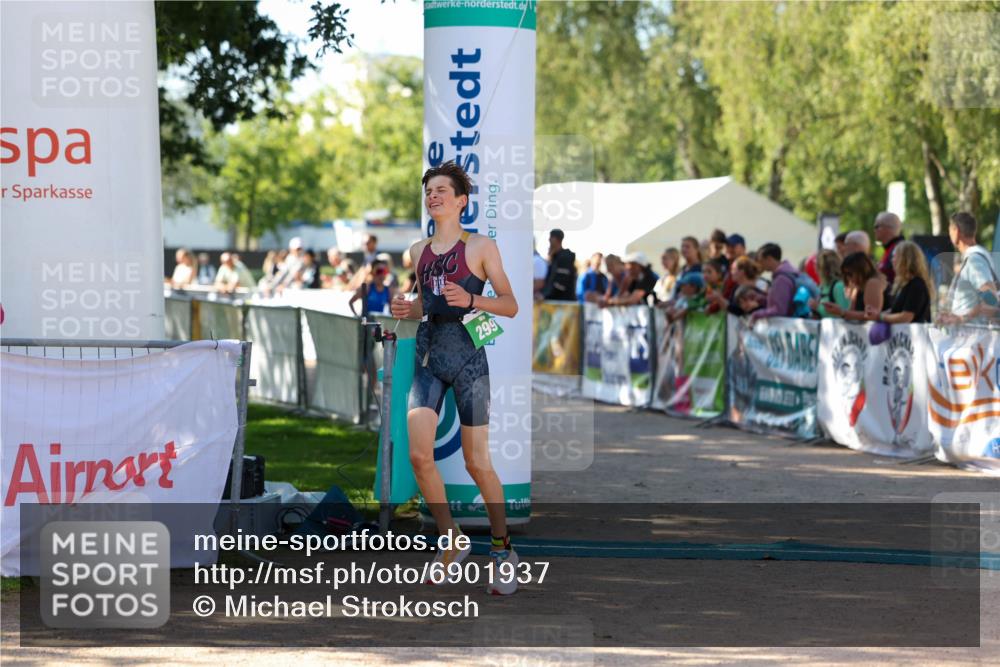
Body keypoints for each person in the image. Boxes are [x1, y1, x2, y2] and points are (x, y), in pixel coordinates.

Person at [389, 160, 519, 595]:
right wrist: (409, 310)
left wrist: (473, 298)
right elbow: (429, 305)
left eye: (442, 190)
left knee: (476, 462)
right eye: (429, 191)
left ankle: (502, 550)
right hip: (429, 358)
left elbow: (510, 305)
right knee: (420, 456)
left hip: (469, 361)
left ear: (461, 201)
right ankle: (451, 541)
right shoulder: (417, 251)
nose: (434, 196)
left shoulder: (480, 246)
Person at [940, 211, 998, 324]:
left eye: (950, 230)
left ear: (956, 231)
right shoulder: (976, 257)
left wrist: (961, 318)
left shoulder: (974, 260)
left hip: (974, 337)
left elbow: (991, 299)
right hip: (972, 336)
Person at [872, 241, 932, 324]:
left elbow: (906, 317)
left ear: (905, 259)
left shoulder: (917, 284)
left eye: (894, 257)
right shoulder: (904, 283)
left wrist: (880, 317)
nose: (892, 260)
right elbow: (897, 310)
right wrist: (878, 314)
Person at [823, 252, 886, 322]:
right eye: (845, 275)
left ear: (861, 270)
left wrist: (842, 312)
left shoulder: (873, 283)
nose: (848, 278)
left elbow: (871, 315)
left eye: (850, 274)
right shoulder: (859, 287)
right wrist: (839, 311)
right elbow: (851, 312)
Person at [751, 243, 802, 321]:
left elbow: (780, 310)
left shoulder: (781, 279)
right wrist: (763, 300)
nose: (759, 265)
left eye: (761, 261)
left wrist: (757, 314)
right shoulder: (783, 275)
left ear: (769, 259)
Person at [540, 229, 577, 301]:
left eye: (550, 238)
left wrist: (545, 296)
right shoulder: (555, 258)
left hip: (563, 303)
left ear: (555, 239)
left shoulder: (564, 258)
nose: (549, 241)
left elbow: (560, 285)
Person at [814, 249, 850, 318]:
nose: (815, 270)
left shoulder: (839, 286)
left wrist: (818, 307)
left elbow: (844, 313)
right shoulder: (824, 286)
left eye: (818, 267)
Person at [874, 212, 905, 284]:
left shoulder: (900, 250)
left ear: (888, 228)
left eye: (877, 226)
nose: (874, 230)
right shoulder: (891, 248)